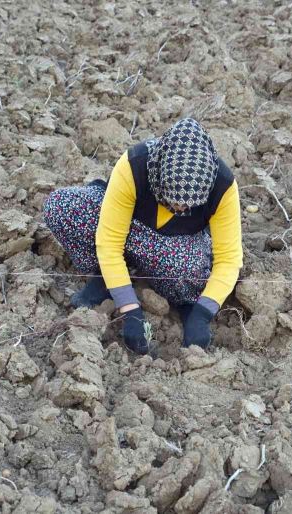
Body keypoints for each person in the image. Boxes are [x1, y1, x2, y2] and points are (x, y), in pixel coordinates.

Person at [43, 118, 243, 354]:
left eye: (187, 205)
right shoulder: (135, 165)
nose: (179, 209)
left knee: (189, 273)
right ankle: (109, 278)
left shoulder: (222, 186)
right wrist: (131, 311)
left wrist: (202, 313)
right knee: (62, 207)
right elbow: (109, 242)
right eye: (172, 201)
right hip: (127, 226)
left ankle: (174, 295)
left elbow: (229, 259)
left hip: (173, 244)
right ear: (159, 175)